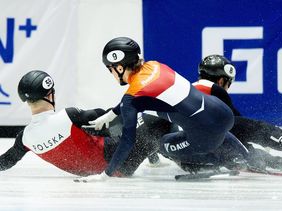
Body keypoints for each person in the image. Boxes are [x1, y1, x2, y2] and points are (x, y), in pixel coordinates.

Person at [76, 37, 271, 182]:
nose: (111, 73)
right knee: (200, 121)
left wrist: (105, 175)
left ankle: (224, 163)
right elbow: (145, 97)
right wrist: (112, 113)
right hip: (223, 114)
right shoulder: (155, 66)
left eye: (110, 68)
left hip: (205, 135)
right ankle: (247, 156)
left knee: (164, 144)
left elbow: (128, 141)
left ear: (119, 68)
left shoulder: (131, 96)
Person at [0, 70, 162, 177]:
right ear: (50, 95)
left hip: (104, 171)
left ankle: (154, 156)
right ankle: (174, 160)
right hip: (120, 162)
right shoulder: (68, 116)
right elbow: (111, 119)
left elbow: (6, 161)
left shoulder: (25, 138)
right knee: (153, 116)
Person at [193, 54, 282, 162]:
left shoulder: (189, 90)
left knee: (242, 140)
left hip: (190, 154)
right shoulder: (215, 91)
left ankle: (270, 161)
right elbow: (241, 125)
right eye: (228, 83)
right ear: (221, 80)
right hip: (213, 144)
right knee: (258, 129)